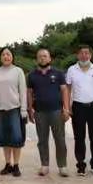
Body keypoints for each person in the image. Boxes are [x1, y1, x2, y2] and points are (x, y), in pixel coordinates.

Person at [27, 48, 70, 177]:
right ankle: (44, 165)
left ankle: (62, 166)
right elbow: (29, 93)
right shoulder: (32, 75)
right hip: (40, 113)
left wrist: (66, 108)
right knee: (42, 140)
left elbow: (64, 91)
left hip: (56, 111)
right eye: (40, 56)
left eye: (45, 56)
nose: (42, 58)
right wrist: (30, 109)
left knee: (60, 140)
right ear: (37, 59)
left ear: (50, 58)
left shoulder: (58, 73)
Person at [66, 45, 93, 176]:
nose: (84, 55)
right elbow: (67, 89)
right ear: (77, 55)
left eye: (86, 53)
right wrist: (67, 106)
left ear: (90, 55)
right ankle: (81, 165)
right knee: (79, 137)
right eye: (81, 53)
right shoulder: (72, 70)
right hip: (78, 107)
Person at [0, 47, 27, 177]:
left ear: (12, 56)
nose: (6, 56)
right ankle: (8, 164)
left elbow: (22, 91)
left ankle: (16, 165)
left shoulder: (18, 71)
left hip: (15, 109)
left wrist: (24, 109)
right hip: (1, 110)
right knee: (4, 139)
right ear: (0, 57)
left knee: (16, 139)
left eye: (8, 54)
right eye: (3, 54)